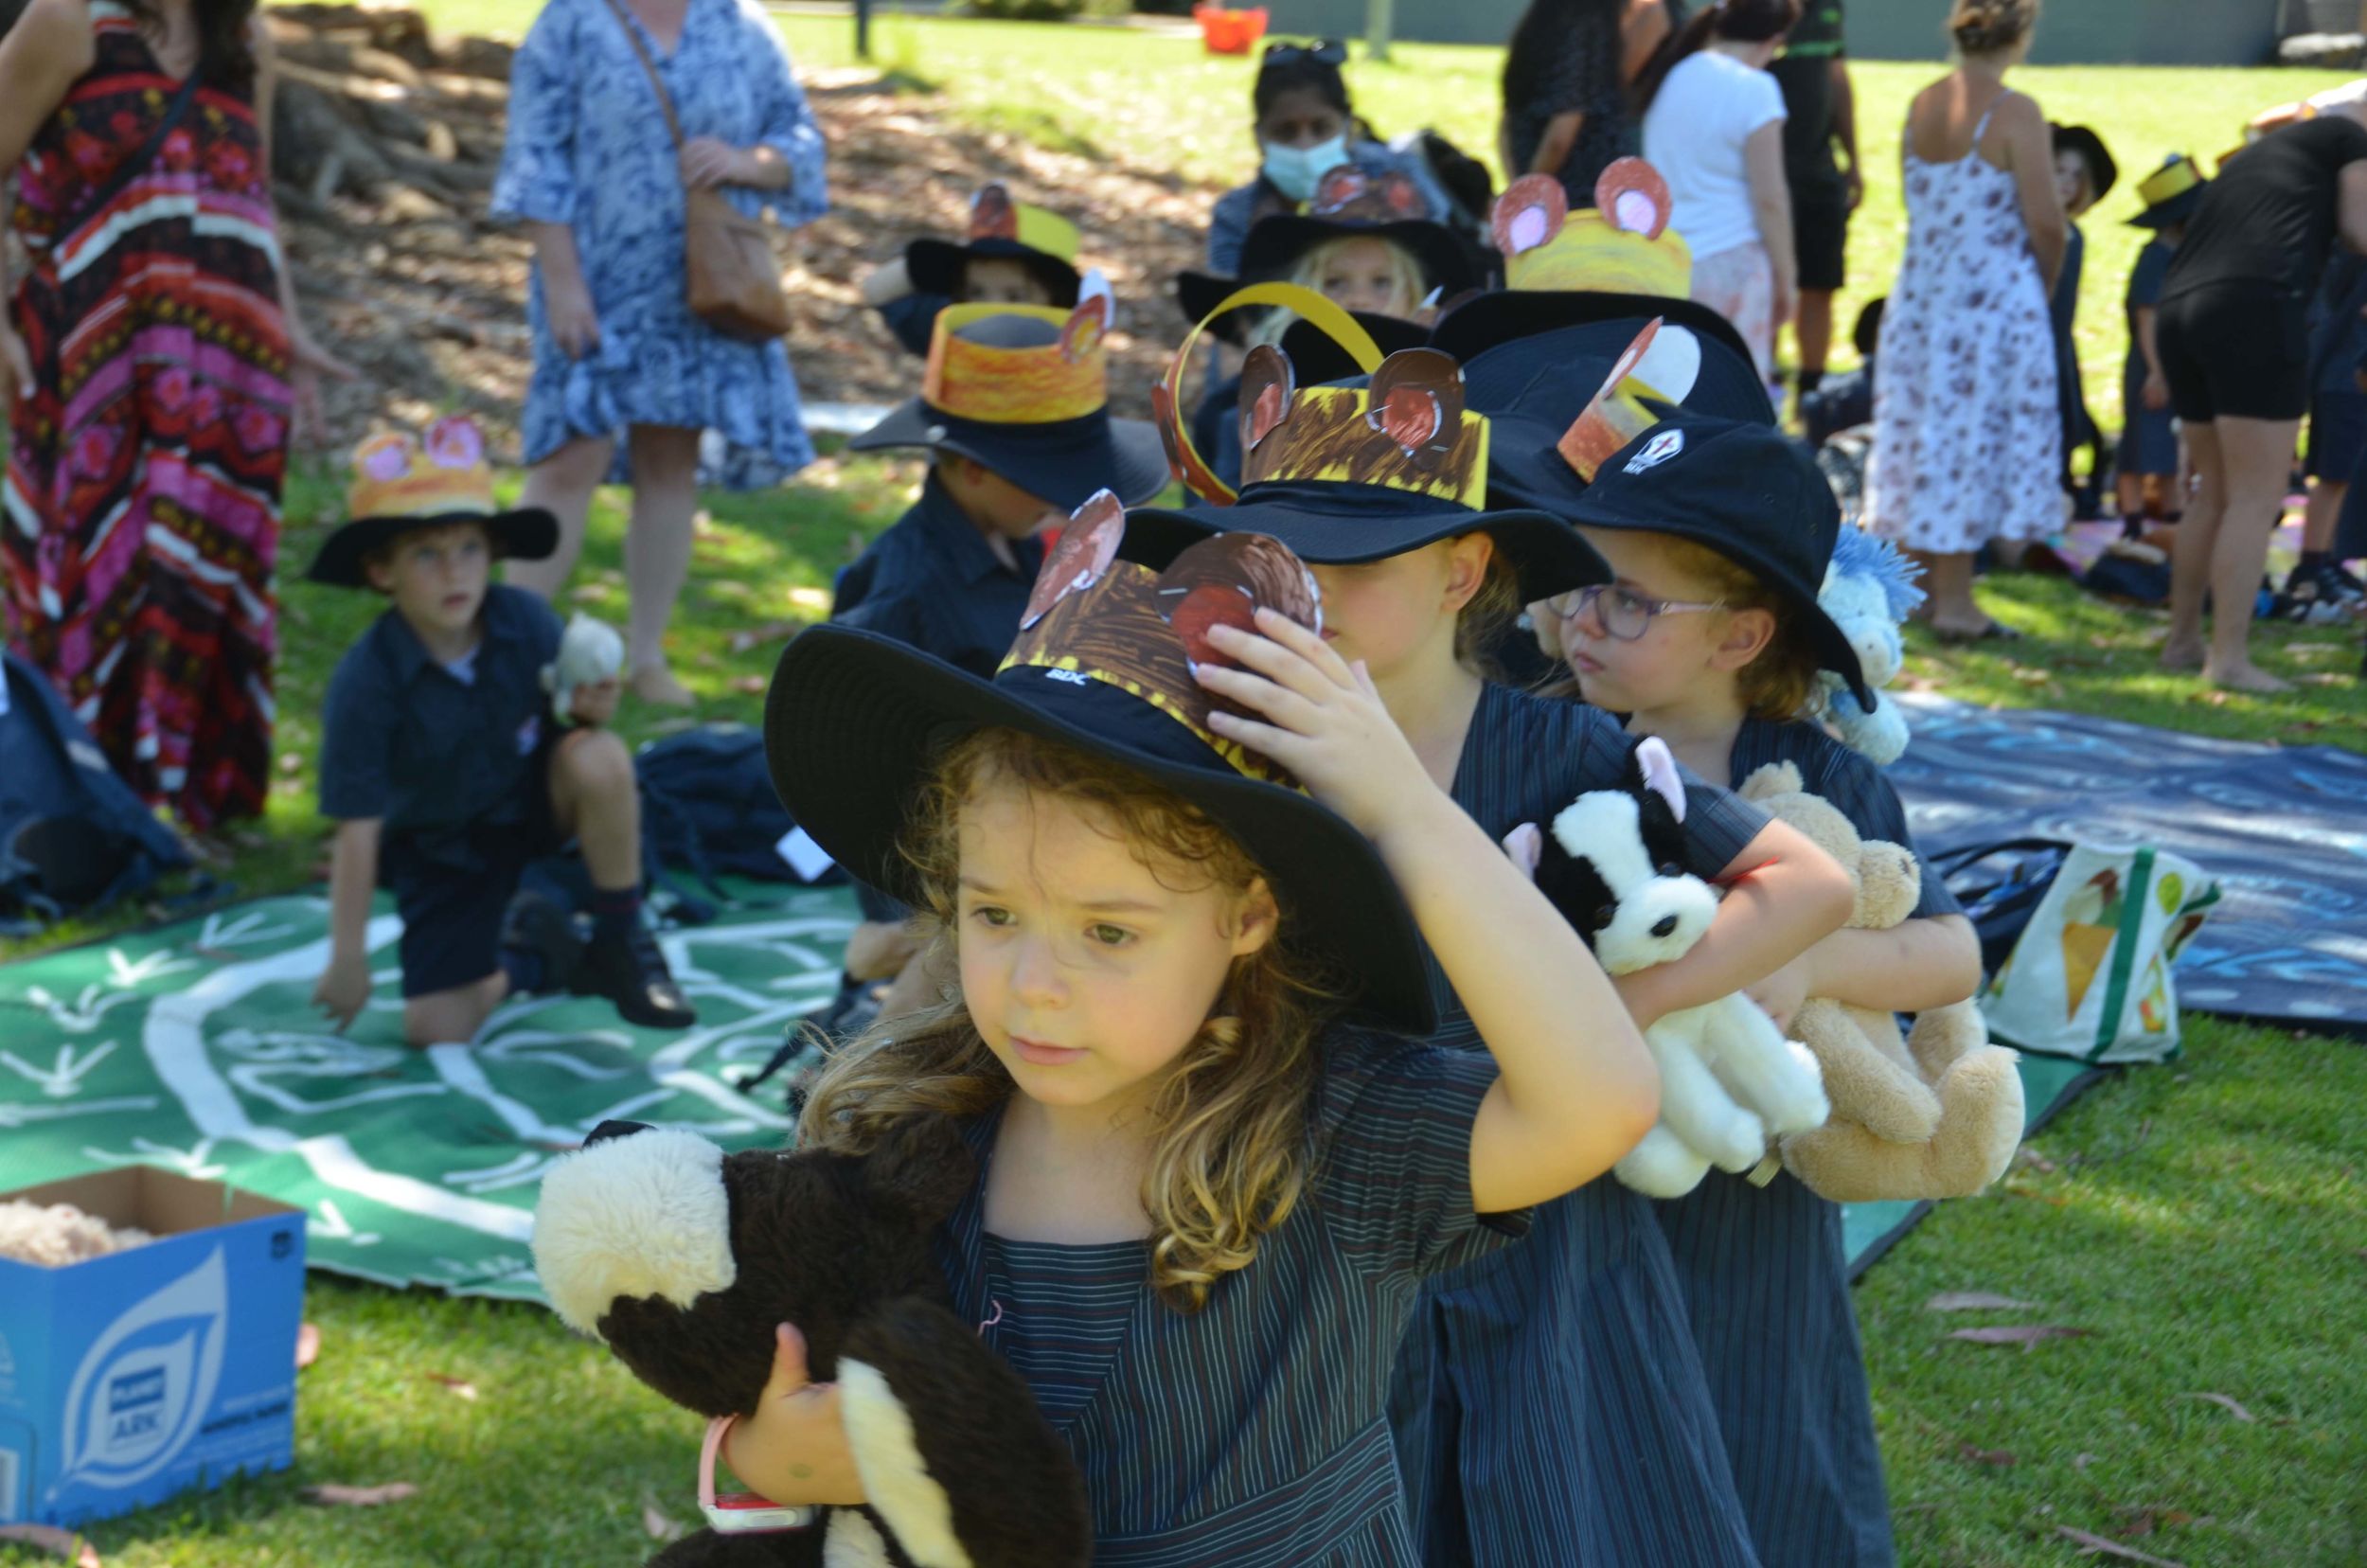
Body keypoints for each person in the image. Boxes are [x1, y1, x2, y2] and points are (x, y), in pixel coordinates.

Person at [728, 523, 1666, 1560]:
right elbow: (767, 1413)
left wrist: (1406, 809)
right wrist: (771, 1459)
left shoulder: (1342, 1135)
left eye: (1109, 933)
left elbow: (1601, 1102)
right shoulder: (897, 1129)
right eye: (994, 915)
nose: (1034, 986)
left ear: (1246, 917)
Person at [1122, 309, 1858, 1567]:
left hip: (1555, 1251)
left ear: (1462, 572)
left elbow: (1805, 885)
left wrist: (1606, 1016)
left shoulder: (1561, 748)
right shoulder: (1240, 748)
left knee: (1567, 1508)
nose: (1309, 596)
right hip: (1330, 1252)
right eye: (1278, 562)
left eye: (1354, 563)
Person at [1525, 408, 1983, 1567]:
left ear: (1740, 636)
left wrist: (1801, 956)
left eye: (1630, 600)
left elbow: (1948, 954)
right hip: (1573, 1164)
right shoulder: (1541, 744)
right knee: (1581, 1418)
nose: (1584, 619)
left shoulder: (1813, 775)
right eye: (1579, 585)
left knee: (1761, 1425)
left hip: (1749, 1191)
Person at [2, 0, 351, 834]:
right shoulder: (67, 20)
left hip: (231, 359)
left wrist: (288, 328)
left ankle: (194, 797)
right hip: (91, 355)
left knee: (208, 563)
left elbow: (250, 193)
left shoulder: (246, 39)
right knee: (85, 556)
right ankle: (72, 803)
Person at [822, 303, 1168, 1042]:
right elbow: (856, 751)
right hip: (943, 859)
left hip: (1018, 822)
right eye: (1042, 477)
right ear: (974, 468)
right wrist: (899, 910)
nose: (1058, 496)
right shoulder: (909, 592)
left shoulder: (1011, 544)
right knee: (939, 1025)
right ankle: (868, 1041)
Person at [309, 419, 693, 1049]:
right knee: (434, 1028)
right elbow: (359, 828)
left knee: (601, 755)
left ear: (492, 555)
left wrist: (592, 707)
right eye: (426, 555)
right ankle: (539, 953)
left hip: (535, 821)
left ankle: (623, 938)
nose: (453, 572)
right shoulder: (367, 682)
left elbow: (574, 731)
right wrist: (346, 957)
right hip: (445, 852)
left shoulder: (526, 622)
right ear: (381, 572)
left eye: (469, 549)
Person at [491, 0, 827, 708]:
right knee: (569, 458)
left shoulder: (740, 25)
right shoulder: (572, 22)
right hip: (595, 284)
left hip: (702, 288)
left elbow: (799, 139)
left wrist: (747, 161)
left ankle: (646, 657)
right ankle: (505, 653)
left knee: (670, 461)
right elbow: (535, 159)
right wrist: (562, 283)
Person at [1864, 0, 2064, 643]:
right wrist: (2044, 286)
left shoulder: (1924, 102)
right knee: (1967, 441)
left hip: (1924, 296)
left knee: (1924, 435)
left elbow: (1917, 201)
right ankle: (1954, 601)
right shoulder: (2016, 111)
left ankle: (1920, 591)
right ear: (2021, 36)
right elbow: (2048, 223)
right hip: (1988, 304)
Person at [2155, 102, 2367, 689]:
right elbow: (2360, 228)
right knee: (2255, 497)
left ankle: (2182, 642)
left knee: (2214, 492)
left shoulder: (2272, 152)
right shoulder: (2351, 139)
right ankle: (2228, 660)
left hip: (2181, 309)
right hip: (2256, 307)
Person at [1638, 0, 1803, 386]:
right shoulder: (1757, 88)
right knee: (1733, 392)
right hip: (1733, 261)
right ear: (1775, 40)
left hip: (1667, 262)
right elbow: (1770, 198)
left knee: (1669, 391)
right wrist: (1787, 277)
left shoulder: (1673, 75)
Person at [1206, 38, 1452, 277]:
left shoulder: (1397, 175)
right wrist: (1264, 249)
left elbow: (1440, 259)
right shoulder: (1236, 214)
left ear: (1349, 128)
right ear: (1259, 137)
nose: (1305, 145)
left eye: (1321, 128)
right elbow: (1227, 295)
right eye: (1286, 131)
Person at [861, 182, 1084, 359]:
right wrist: (949, 263)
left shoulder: (1072, 348)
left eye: (1015, 296)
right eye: (976, 293)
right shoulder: (949, 329)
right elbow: (876, 289)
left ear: (1056, 300)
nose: (993, 308)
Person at [1769, 0, 1862, 401]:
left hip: (1820, 173)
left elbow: (1836, 76)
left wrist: (1853, 160)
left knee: (1820, 284)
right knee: (1767, 285)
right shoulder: (1756, 10)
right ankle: (1763, 385)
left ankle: (1811, 396)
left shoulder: (1829, 7)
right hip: (1764, 172)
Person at [1498, 0, 1672, 206]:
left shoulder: (1534, 29)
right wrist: (1530, 192)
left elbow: (1506, 124)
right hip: (1580, 199)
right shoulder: (1586, 35)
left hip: (1534, 188)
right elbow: (1560, 138)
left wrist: (1519, 186)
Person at [2117, 154, 2203, 528]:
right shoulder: (2155, 258)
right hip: (2153, 365)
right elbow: (2146, 316)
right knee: (2139, 447)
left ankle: (2173, 518)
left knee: (2169, 448)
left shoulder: (2180, 256)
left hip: (2175, 364)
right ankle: (2133, 520)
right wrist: (2156, 372)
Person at [2051, 123, 2115, 517]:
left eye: (2076, 176)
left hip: (2058, 342)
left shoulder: (2073, 235)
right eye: (2059, 170)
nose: (2066, 182)